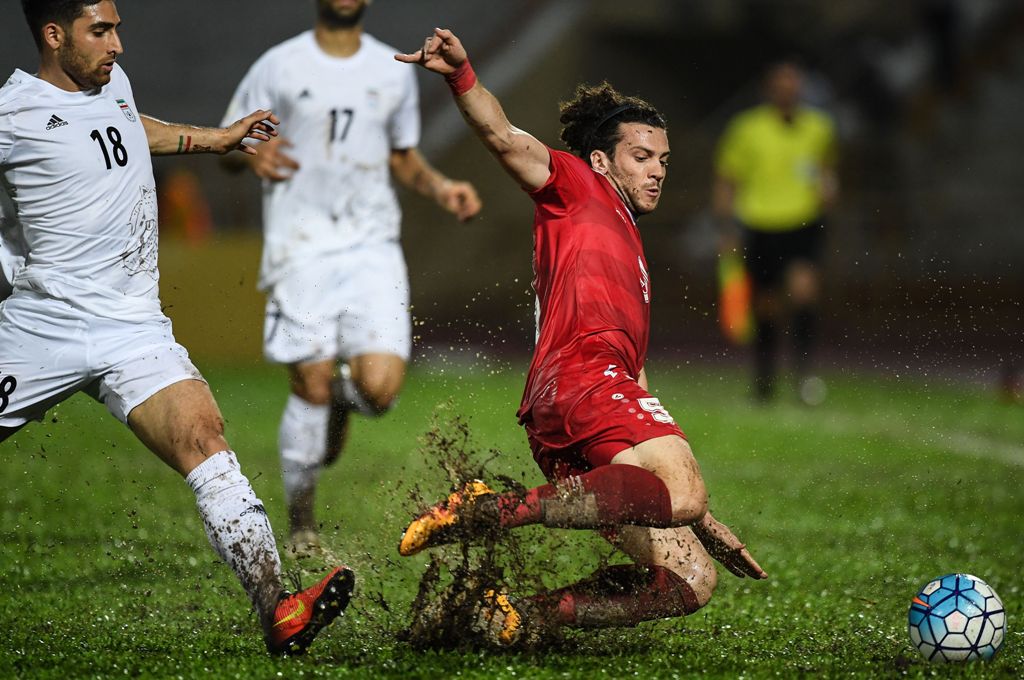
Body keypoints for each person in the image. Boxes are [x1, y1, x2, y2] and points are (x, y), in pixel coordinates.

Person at [394, 28, 767, 647]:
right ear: (602, 160)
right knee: (683, 490)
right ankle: (487, 510)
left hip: (577, 409)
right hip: (579, 380)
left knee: (691, 577)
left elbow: (641, 392)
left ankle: (523, 616)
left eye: (664, 161)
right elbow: (500, 134)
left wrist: (697, 517)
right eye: (642, 157)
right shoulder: (575, 186)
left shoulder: (628, 245)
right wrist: (461, 75)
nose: (657, 173)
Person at [2, 0, 353, 656]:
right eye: (100, 31)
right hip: (41, 322)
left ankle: (277, 606)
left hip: (132, 327)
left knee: (203, 435)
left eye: (118, 29)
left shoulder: (113, 86)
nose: (117, 46)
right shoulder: (11, 114)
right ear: (54, 35)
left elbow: (133, 130)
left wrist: (218, 139)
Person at [221, 0, 482, 554]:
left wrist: (441, 189)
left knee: (380, 391)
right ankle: (300, 526)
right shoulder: (279, 66)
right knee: (308, 384)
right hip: (302, 247)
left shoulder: (391, 68)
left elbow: (402, 158)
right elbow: (226, 143)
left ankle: (343, 398)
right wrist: (250, 155)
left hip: (371, 247)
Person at [712, 61, 839, 404]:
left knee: (804, 293)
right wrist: (726, 228)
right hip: (760, 223)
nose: (788, 92)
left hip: (802, 221)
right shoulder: (746, 129)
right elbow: (728, 180)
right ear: (769, 90)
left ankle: (805, 377)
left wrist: (829, 191)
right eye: (782, 85)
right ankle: (765, 379)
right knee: (766, 306)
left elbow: (826, 171)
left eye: (794, 85)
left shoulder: (819, 127)